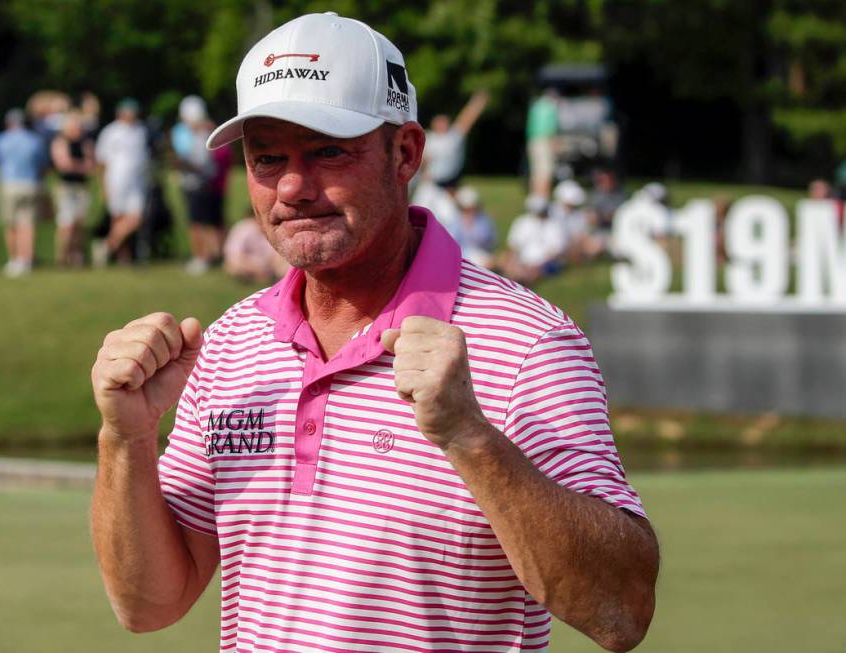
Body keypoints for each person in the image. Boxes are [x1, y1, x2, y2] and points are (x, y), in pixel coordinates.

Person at [90, 12, 658, 653]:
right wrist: (127, 436)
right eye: (268, 159)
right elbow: (147, 603)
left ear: (406, 153)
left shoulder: (526, 340)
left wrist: (469, 437)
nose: (295, 187)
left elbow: (622, 611)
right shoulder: (231, 344)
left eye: (330, 151)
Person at [0, 108, 46, 277]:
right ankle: (27, 260)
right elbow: (42, 163)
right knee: (27, 223)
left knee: (11, 224)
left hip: (9, 184)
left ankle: (14, 259)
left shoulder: (1, 140)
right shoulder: (34, 140)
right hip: (31, 183)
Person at [93, 98, 149, 265]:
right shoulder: (110, 132)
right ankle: (122, 257)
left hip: (136, 182)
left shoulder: (140, 131)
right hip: (116, 181)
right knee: (117, 218)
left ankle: (106, 246)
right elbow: (102, 162)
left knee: (135, 218)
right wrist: (103, 186)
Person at [171, 96, 223, 275]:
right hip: (195, 184)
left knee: (199, 223)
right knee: (199, 222)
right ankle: (205, 255)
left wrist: (184, 164)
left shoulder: (202, 135)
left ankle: (203, 257)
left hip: (200, 184)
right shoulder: (192, 134)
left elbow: (200, 162)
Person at [50, 110, 96, 267]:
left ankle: (76, 256)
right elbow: (64, 165)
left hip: (82, 187)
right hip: (66, 187)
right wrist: (80, 166)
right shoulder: (61, 141)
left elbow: (91, 165)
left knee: (79, 223)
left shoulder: (85, 142)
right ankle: (62, 257)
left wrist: (77, 166)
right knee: (66, 224)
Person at [421, 89, 489, 189]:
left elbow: (467, 119)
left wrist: (477, 102)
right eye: (439, 122)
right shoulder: (429, 138)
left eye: (444, 121)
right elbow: (422, 160)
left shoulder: (453, 137)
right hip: (431, 183)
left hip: (451, 183)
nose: (441, 124)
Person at [500, 194, 567, 286]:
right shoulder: (521, 222)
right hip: (522, 261)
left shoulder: (553, 225)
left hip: (544, 263)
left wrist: (537, 265)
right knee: (505, 262)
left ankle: (520, 283)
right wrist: (514, 262)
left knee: (535, 271)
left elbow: (555, 251)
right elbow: (513, 246)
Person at [223, 210, 288, 283]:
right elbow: (233, 254)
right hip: (248, 263)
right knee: (234, 266)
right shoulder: (243, 229)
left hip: (269, 265)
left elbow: (278, 255)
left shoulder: (273, 230)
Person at [448, 185, 496, 267]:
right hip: (461, 257)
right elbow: (452, 241)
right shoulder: (455, 220)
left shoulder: (484, 219)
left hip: (482, 255)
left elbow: (488, 241)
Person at [526, 88, 560, 198]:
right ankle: (544, 197)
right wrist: (555, 146)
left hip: (532, 141)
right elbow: (551, 129)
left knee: (536, 172)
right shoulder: (551, 107)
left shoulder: (536, 106)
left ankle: (535, 197)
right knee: (546, 172)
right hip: (544, 142)